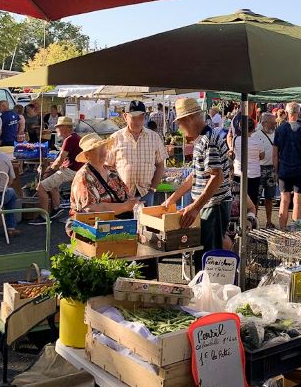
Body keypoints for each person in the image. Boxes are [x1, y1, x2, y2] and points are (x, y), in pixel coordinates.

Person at [165, 98, 232, 267]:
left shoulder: (208, 140)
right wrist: (172, 199)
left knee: (209, 258)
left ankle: (209, 292)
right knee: (205, 255)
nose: (180, 129)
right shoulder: (202, 139)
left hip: (214, 205)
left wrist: (195, 207)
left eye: (180, 123)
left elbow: (217, 177)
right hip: (209, 204)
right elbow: (194, 176)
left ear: (189, 119)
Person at [106, 100, 167, 206]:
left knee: (146, 222)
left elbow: (160, 165)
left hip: (146, 192)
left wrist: (153, 188)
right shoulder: (115, 138)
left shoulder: (154, 137)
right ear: (125, 117)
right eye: (133, 118)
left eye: (141, 118)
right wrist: (116, 190)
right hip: (122, 194)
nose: (137, 121)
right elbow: (107, 167)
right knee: (124, 222)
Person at [69, 133, 137, 216]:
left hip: (118, 221)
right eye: (98, 150)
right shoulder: (84, 176)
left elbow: (126, 195)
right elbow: (90, 209)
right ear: (87, 155)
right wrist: (124, 207)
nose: (103, 152)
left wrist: (134, 203)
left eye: (104, 148)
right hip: (92, 225)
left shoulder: (111, 170)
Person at [273, 102, 301, 229]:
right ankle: (296, 229)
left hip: (284, 170)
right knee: (298, 200)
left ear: (286, 112)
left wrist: (275, 170)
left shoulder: (279, 129)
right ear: (298, 113)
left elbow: (275, 154)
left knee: (284, 200)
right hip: (300, 170)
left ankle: (282, 229)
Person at [36, 117, 82, 214]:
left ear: (65, 128)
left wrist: (49, 170)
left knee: (40, 187)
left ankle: (44, 216)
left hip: (71, 170)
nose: (56, 129)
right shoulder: (75, 137)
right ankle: (56, 208)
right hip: (76, 169)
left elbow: (60, 159)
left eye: (58, 127)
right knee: (53, 184)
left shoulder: (69, 139)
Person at [233, 116, 264, 213]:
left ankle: (239, 219)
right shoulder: (258, 141)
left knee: (238, 198)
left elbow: (234, 152)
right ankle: (251, 219)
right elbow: (262, 156)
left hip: (239, 172)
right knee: (253, 198)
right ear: (254, 128)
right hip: (254, 173)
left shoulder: (236, 140)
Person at [254, 113, 277, 228]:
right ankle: (254, 220)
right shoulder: (256, 135)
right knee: (256, 197)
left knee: (270, 196)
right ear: (264, 123)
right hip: (259, 169)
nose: (274, 125)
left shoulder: (276, 134)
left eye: (275, 123)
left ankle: (269, 221)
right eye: (272, 123)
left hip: (272, 169)